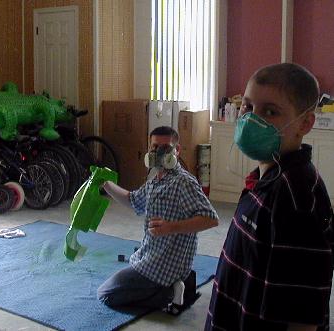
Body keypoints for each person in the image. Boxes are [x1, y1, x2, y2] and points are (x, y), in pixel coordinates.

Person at [205, 63, 333, 331]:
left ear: (304, 123)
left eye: (270, 112)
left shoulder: (296, 198)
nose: (252, 119)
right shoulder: (266, 178)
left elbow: (302, 315)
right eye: (248, 107)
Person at [97, 126, 219, 314]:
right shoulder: (156, 180)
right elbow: (133, 200)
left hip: (165, 264)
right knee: (126, 274)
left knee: (105, 294)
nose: (158, 153)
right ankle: (166, 289)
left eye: (165, 148)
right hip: (150, 255)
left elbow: (211, 219)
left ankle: (169, 293)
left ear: (177, 151)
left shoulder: (182, 182)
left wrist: (171, 227)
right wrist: (106, 184)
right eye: (154, 147)